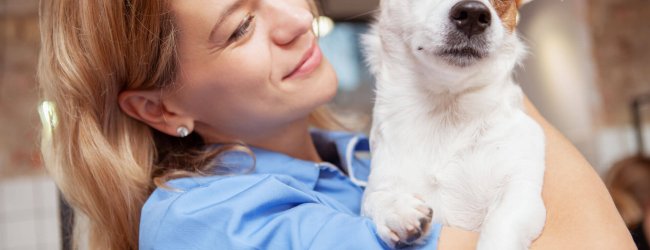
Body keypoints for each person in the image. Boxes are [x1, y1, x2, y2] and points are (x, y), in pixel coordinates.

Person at [37, 0, 635, 249]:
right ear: (161, 108)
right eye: (240, 27)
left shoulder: (358, 159)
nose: (298, 19)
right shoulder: (209, 222)